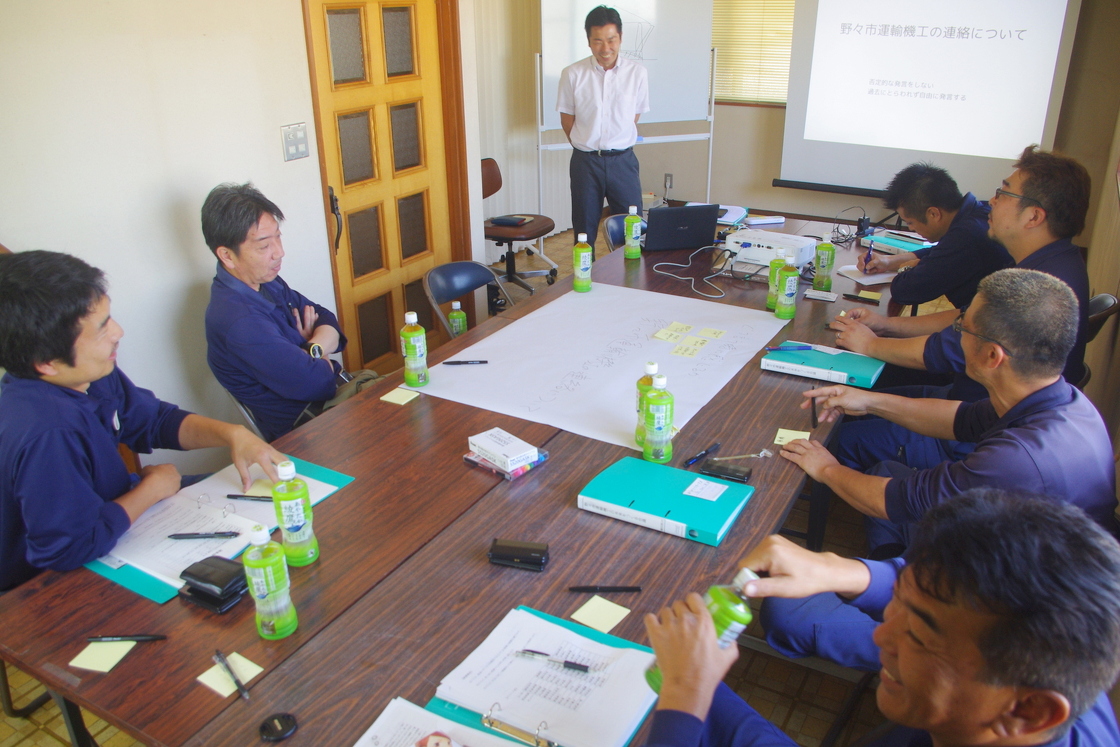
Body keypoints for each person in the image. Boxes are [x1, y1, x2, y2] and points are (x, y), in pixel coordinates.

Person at [643, 490, 1120, 747]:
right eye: (899, 603)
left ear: (1030, 712)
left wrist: (686, 697)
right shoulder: (1061, 650)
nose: (881, 637)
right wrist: (839, 569)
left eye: (918, 635)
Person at [0, 251, 284, 592]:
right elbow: (69, 547)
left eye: (109, 318)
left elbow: (153, 420)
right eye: (101, 330)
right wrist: (150, 490)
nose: (118, 332)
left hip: (122, 519)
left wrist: (233, 434)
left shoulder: (88, 373)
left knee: (280, 510)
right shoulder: (45, 430)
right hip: (56, 583)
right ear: (47, 361)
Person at [782, 268, 1116, 558]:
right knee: (886, 470)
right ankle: (892, 566)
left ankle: (903, 586)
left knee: (794, 608)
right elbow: (959, 419)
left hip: (1017, 591)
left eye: (961, 329)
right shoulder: (1059, 399)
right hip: (1021, 547)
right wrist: (868, 401)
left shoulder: (1015, 460)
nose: (955, 335)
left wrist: (825, 468)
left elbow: (890, 501)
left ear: (992, 355)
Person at [833, 145, 1091, 401]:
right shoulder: (1051, 263)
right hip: (968, 397)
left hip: (975, 410)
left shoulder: (1036, 290)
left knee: (845, 394)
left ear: (1033, 217)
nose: (993, 201)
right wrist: (885, 324)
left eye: (1003, 193)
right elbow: (966, 318)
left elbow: (945, 350)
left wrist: (871, 344)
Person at [203, 183, 369, 442]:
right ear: (227, 255)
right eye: (264, 246)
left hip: (343, 396)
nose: (279, 252)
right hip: (313, 428)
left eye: (278, 237)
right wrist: (318, 355)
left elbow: (327, 320)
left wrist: (311, 348)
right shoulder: (238, 321)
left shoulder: (266, 281)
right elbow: (318, 383)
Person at [556, 5, 649, 252]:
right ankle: (585, 275)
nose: (605, 48)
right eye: (598, 41)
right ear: (588, 41)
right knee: (584, 232)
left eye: (611, 40)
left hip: (623, 162)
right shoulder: (572, 74)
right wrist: (587, 144)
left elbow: (633, 116)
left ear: (620, 38)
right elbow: (567, 119)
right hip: (586, 163)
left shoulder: (637, 73)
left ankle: (629, 276)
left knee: (632, 232)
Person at [859, 163, 1012, 309]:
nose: (911, 229)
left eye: (910, 222)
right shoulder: (979, 212)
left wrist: (906, 268)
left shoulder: (966, 237)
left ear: (933, 214)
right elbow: (941, 251)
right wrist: (888, 261)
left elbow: (904, 291)